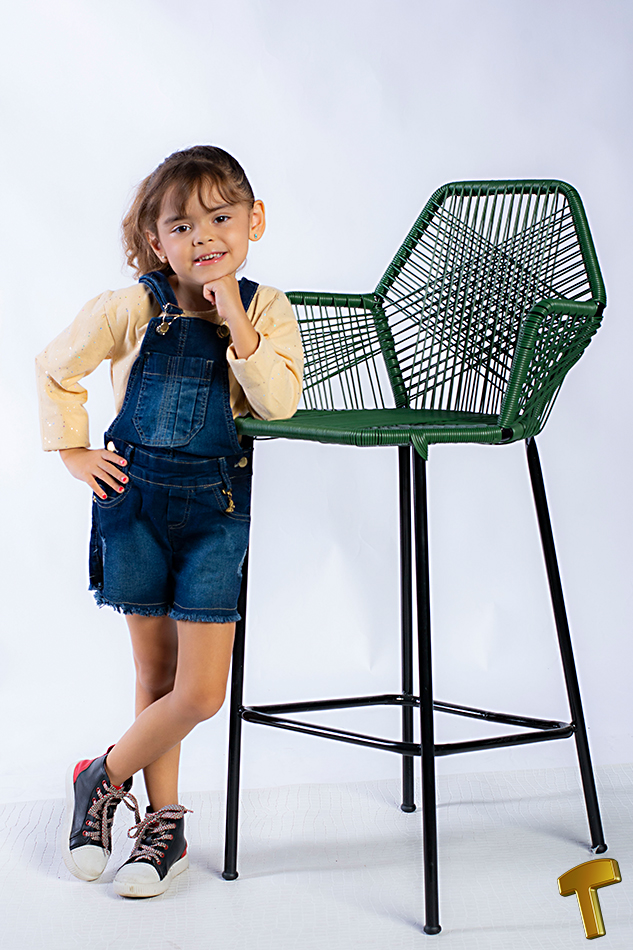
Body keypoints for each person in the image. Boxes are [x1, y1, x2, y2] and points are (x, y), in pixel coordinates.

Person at [35, 145, 303, 898]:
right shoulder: (131, 307)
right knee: (155, 676)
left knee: (200, 693)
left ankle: (101, 774)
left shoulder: (267, 309)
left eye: (220, 218)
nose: (203, 237)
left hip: (216, 512)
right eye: (181, 226)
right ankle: (165, 830)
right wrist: (74, 452)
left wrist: (236, 322)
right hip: (137, 506)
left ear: (253, 220)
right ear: (157, 242)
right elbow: (55, 366)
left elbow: (279, 403)